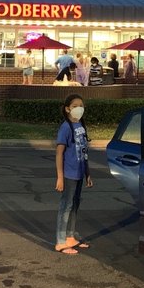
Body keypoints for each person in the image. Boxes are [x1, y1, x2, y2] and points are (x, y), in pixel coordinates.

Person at [54, 93, 92, 255]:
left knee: (75, 204)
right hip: (68, 174)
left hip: (79, 173)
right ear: (67, 109)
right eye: (75, 106)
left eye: (81, 106)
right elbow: (59, 153)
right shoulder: (65, 128)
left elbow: (84, 152)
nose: (79, 109)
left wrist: (87, 173)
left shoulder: (80, 126)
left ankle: (70, 236)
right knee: (66, 206)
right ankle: (61, 241)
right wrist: (60, 177)